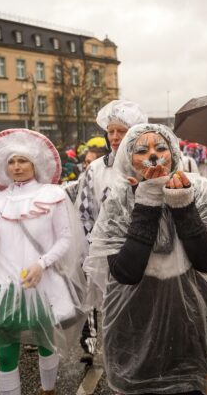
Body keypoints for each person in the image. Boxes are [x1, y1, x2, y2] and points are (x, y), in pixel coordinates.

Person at [84, 123, 207, 395]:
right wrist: (147, 203)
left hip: (193, 321)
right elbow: (126, 272)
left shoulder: (197, 191)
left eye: (160, 148)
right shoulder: (120, 201)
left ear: (173, 154)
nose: (153, 156)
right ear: (128, 160)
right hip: (138, 324)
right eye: (142, 151)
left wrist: (183, 206)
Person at [0, 129, 88, 395]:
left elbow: (65, 239)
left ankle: (48, 389)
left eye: (22, 160)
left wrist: (41, 264)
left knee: (46, 344)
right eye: (11, 161)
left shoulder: (53, 195)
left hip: (42, 286)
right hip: (3, 287)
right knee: (6, 356)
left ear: (35, 163)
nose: (16, 166)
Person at [78, 99, 148, 365]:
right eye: (111, 131)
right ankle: (118, 365)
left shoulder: (146, 166)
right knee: (112, 312)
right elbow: (86, 213)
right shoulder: (96, 169)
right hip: (108, 258)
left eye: (122, 131)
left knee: (142, 311)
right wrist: (92, 250)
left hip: (143, 254)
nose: (116, 137)